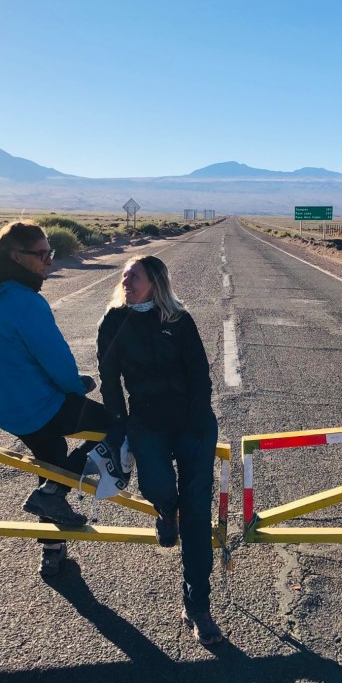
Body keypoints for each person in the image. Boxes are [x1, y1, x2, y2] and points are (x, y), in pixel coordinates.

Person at [0, 219, 112, 577]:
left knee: (51, 460)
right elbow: (56, 361)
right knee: (117, 427)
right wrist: (77, 386)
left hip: (2, 407)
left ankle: (51, 550)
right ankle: (53, 494)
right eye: (42, 254)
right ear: (16, 256)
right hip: (38, 406)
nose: (49, 262)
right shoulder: (22, 301)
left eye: (51, 253)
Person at [96, 255, 224, 645]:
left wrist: (198, 421)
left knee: (198, 515)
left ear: (155, 282)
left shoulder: (179, 321)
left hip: (192, 424)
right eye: (124, 276)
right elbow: (108, 378)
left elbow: (200, 375)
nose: (126, 280)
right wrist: (120, 426)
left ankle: (197, 605)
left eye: (134, 276)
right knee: (159, 489)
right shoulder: (114, 322)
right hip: (147, 423)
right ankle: (166, 511)